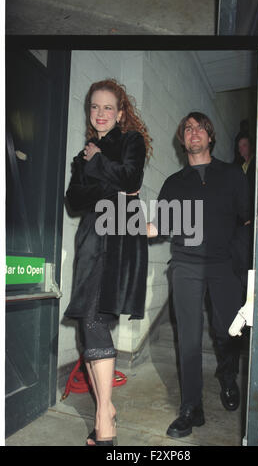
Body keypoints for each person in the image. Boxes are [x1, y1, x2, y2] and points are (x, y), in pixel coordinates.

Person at [147, 112, 251, 438]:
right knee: (188, 338)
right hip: (186, 265)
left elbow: (248, 221)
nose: (193, 133)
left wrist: (238, 257)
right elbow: (158, 226)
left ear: (210, 136)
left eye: (199, 128)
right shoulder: (174, 183)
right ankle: (191, 407)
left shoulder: (233, 175)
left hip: (224, 265)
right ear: (183, 139)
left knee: (227, 330)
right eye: (188, 129)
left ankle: (227, 375)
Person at [64, 79, 152, 446]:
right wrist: (110, 181)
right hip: (89, 239)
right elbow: (73, 200)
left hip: (117, 238)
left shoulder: (129, 141)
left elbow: (132, 179)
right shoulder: (82, 153)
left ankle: (104, 419)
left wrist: (98, 165)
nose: (100, 113)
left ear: (120, 112)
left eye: (107, 107)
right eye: (94, 107)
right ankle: (107, 408)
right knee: (87, 322)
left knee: (97, 319)